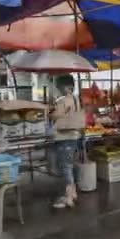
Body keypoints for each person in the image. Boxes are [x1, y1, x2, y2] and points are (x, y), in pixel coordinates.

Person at [50, 75, 84, 208]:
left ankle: (69, 197)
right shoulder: (76, 99)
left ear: (65, 87)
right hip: (74, 135)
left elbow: (56, 116)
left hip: (64, 136)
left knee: (66, 167)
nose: (58, 89)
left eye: (58, 87)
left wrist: (50, 112)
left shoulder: (63, 100)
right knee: (70, 164)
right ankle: (73, 192)